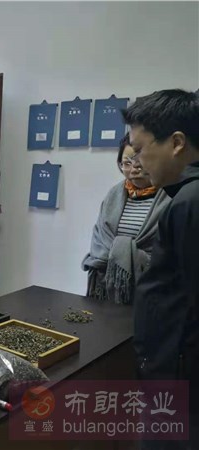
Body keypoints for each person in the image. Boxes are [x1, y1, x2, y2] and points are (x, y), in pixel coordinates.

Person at [123, 89, 199, 447]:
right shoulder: (184, 196)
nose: (137, 161)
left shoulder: (190, 202)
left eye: (140, 149)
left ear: (177, 143)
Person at [82, 133, 170, 304]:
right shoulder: (113, 195)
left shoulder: (171, 197)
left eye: (139, 161)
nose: (134, 169)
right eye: (127, 163)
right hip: (105, 287)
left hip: (154, 291)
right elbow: (99, 240)